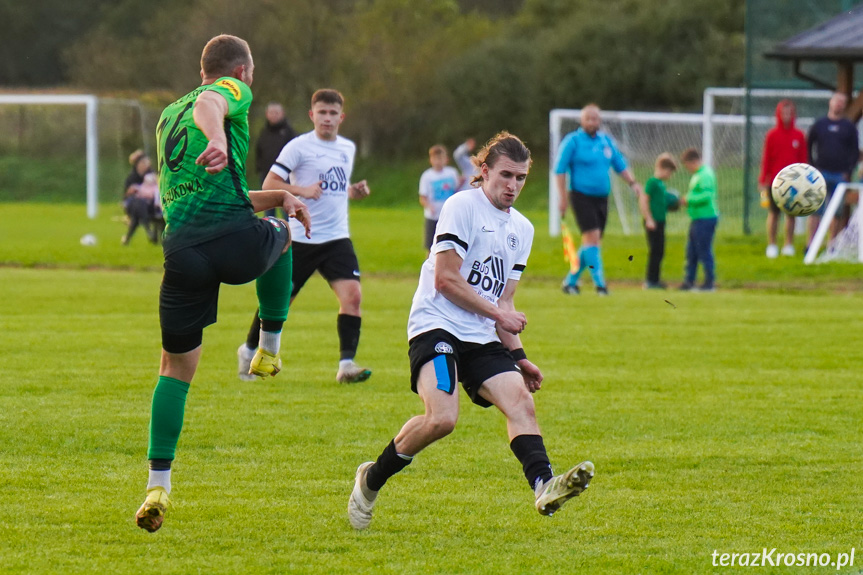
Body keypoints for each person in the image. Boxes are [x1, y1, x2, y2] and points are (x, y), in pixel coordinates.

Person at [347, 132, 594, 530]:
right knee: (442, 418)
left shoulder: (523, 230)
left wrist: (519, 356)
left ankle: (544, 485)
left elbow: (505, 303)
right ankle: (371, 479)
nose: (513, 186)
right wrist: (499, 313)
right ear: (484, 171)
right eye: (506, 175)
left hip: (481, 334)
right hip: (436, 325)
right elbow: (446, 280)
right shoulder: (462, 205)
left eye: (521, 178)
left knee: (520, 402)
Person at [135, 34, 311, 533]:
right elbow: (212, 101)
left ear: (199, 66)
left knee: (174, 369)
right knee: (284, 237)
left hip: (183, 251)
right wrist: (216, 136)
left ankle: (158, 484)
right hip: (234, 240)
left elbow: (227, 192)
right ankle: (269, 348)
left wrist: (278, 196)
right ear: (243, 71)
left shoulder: (168, 114)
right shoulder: (229, 92)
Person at [237, 89, 373, 384]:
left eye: (332, 113)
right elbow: (270, 183)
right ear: (312, 115)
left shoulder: (347, 148)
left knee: (353, 297)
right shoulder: (297, 147)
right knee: (280, 300)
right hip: (301, 238)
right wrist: (301, 191)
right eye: (321, 112)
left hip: (337, 238)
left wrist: (354, 192)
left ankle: (346, 365)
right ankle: (248, 350)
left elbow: (335, 188)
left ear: (341, 117)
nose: (327, 118)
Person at [555, 104, 653, 295]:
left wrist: (633, 183)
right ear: (582, 121)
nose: (592, 122)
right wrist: (562, 197)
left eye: (595, 118)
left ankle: (570, 282)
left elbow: (619, 164)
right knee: (592, 238)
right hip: (581, 195)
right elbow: (559, 170)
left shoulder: (605, 141)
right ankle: (600, 285)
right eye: (588, 118)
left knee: (592, 241)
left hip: (602, 198)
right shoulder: (573, 141)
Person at [807, 92, 859, 244]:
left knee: (836, 212)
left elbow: (854, 151)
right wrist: (813, 167)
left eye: (843, 102)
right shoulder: (819, 125)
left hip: (840, 176)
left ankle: (832, 244)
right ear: (831, 102)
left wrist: (848, 172)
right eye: (837, 101)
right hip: (820, 173)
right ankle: (811, 243)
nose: (839, 104)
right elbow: (809, 145)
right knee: (815, 210)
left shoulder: (849, 127)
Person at [759, 99, 807, 258]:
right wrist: (763, 179)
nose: (786, 116)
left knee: (791, 214)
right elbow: (766, 158)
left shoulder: (799, 135)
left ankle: (788, 245)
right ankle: (772, 245)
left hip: (793, 182)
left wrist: (803, 179)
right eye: (783, 113)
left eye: (789, 113)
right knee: (774, 213)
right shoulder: (772, 135)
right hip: (775, 181)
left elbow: (803, 159)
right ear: (779, 114)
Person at [678, 148, 719, 292]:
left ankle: (709, 282)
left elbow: (707, 195)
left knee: (704, 249)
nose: (687, 169)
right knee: (692, 251)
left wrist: (687, 199)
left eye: (687, 165)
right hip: (697, 218)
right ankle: (689, 280)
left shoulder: (705, 175)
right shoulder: (697, 175)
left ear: (693, 162)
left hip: (706, 217)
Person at [255, 102, 297, 217]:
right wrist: (259, 167)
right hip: (266, 174)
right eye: (271, 113)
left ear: (282, 114)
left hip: (284, 177)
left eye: (276, 113)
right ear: (267, 114)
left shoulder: (289, 133)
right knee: (268, 208)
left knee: (286, 207)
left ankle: (289, 232)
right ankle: (270, 232)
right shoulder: (264, 132)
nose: (274, 115)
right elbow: (259, 151)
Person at [643, 153, 678, 289]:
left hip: (661, 221)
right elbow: (644, 200)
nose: (670, 176)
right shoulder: (652, 182)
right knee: (655, 250)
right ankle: (650, 281)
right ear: (663, 169)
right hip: (653, 222)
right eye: (670, 172)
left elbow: (661, 202)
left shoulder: (661, 185)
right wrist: (648, 219)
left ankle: (656, 279)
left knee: (660, 250)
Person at [418, 144, 460, 250]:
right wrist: (429, 206)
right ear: (431, 160)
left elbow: (457, 190)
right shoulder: (427, 176)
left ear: (446, 159)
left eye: (441, 158)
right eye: (436, 158)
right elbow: (423, 197)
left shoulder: (452, 173)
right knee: (431, 246)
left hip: (449, 215)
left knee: (450, 245)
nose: (438, 161)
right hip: (433, 216)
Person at [122, 150, 157, 245]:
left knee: (137, 213)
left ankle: (128, 239)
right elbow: (125, 196)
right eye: (142, 162)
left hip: (149, 205)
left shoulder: (151, 175)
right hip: (133, 205)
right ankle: (148, 229)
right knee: (139, 203)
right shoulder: (132, 177)